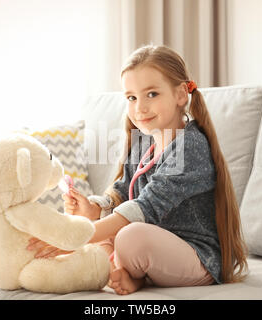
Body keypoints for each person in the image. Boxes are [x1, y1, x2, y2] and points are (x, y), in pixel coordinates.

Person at [26, 44, 249, 295]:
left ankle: (129, 270)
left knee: (129, 237)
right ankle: (132, 276)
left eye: (151, 94)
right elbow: (123, 191)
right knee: (109, 234)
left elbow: (146, 207)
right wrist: (95, 208)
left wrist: (74, 237)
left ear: (180, 95)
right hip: (153, 247)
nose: (139, 107)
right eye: (131, 97)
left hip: (195, 256)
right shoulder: (144, 143)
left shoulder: (190, 148)